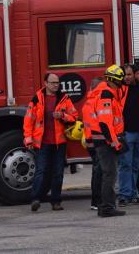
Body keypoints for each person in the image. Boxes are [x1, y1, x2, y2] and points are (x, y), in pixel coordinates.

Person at [23, 72, 78, 212]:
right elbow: (29, 120)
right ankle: (35, 199)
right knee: (41, 171)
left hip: (59, 143)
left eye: (57, 83)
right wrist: (28, 138)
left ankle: (56, 201)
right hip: (42, 143)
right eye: (53, 82)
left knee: (58, 173)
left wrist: (63, 116)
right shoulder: (37, 99)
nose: (56, 85)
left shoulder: (64, 98)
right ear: (45, 83)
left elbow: (74, 117)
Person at [88, 64, 128, 218]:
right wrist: (114, 141)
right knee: (109, 174)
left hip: (103, 140)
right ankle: (107, 207)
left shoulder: (107, 93)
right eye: (119, 81)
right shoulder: (106, 95)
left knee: (108, 174)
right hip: (106, 141)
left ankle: (104, 206)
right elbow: (105, 122)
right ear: (113, 80)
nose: (121, 85)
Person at [117, 64, 139, 206]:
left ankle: (132, 193)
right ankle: (125, 195)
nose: (127, 77)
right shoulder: (119, 90)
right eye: (124, 75)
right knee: (125, 165)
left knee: (135, 166)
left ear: (134, 75)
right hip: (125, 133)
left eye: (129, 74)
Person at [81, 76, 105, 210]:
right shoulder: (96, 102)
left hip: (91, 141)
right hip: (97, 141)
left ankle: (96, 201)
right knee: (99, 172)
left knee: (97, 171)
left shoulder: (88, 102)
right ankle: (97, 201)